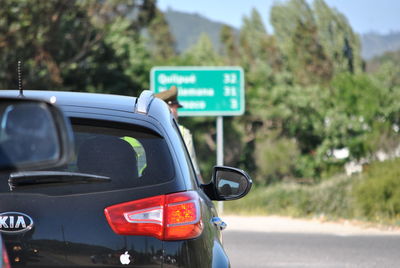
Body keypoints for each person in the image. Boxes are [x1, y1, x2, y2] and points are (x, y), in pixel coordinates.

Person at [155, 86, 202, 181]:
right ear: (169, 109)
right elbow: (192, 170)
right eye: (175, 108)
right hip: (174, 186)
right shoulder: (183, 132)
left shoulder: (142, 129)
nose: (177, 113)